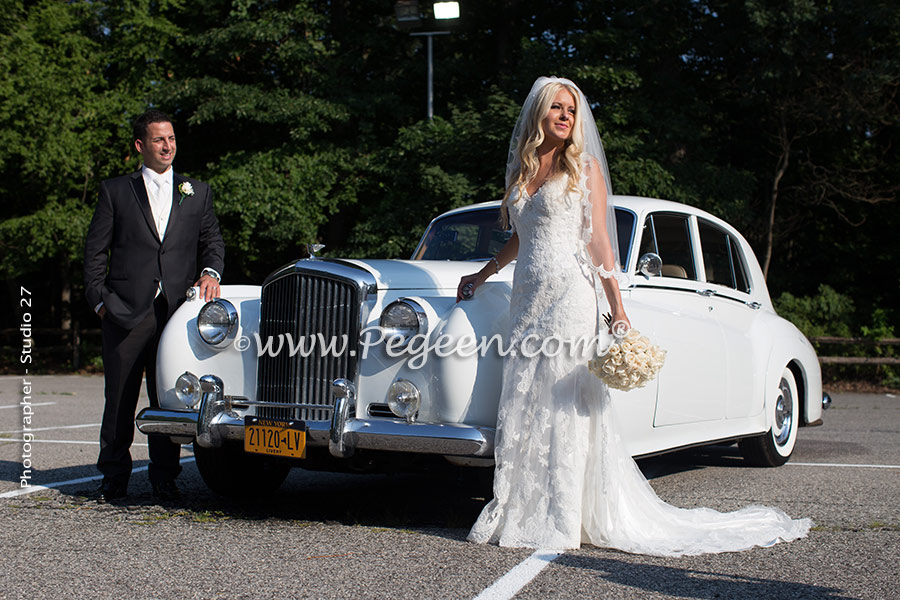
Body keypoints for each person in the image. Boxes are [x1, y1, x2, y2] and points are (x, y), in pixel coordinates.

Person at [458, 77, 811, 555]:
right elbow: (523, 235)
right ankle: (520, 509)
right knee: (526, 397)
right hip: (527, 300)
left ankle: (564, 516)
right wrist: (484, 273)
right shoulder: (523, 171)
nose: (565, 116)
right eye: (557, 108)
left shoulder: (583, 169)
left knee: (565, 400)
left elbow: (600, 240)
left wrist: (617, 308)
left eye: (572, 110)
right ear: (539, 114)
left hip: (570, 295)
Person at [84, 110, 225, 501]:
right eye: (160, 140)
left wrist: (211, 272)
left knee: (169, 395)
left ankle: (165, 476)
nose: (168, 146)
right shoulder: (115, 191)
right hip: (124, 309)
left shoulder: (197, 191)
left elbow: (212, 242)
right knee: (120, 398)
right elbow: (95, 253)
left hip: (176, 313)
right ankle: (113, 475)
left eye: (172, 139)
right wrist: (99, 302)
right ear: (140, 146)